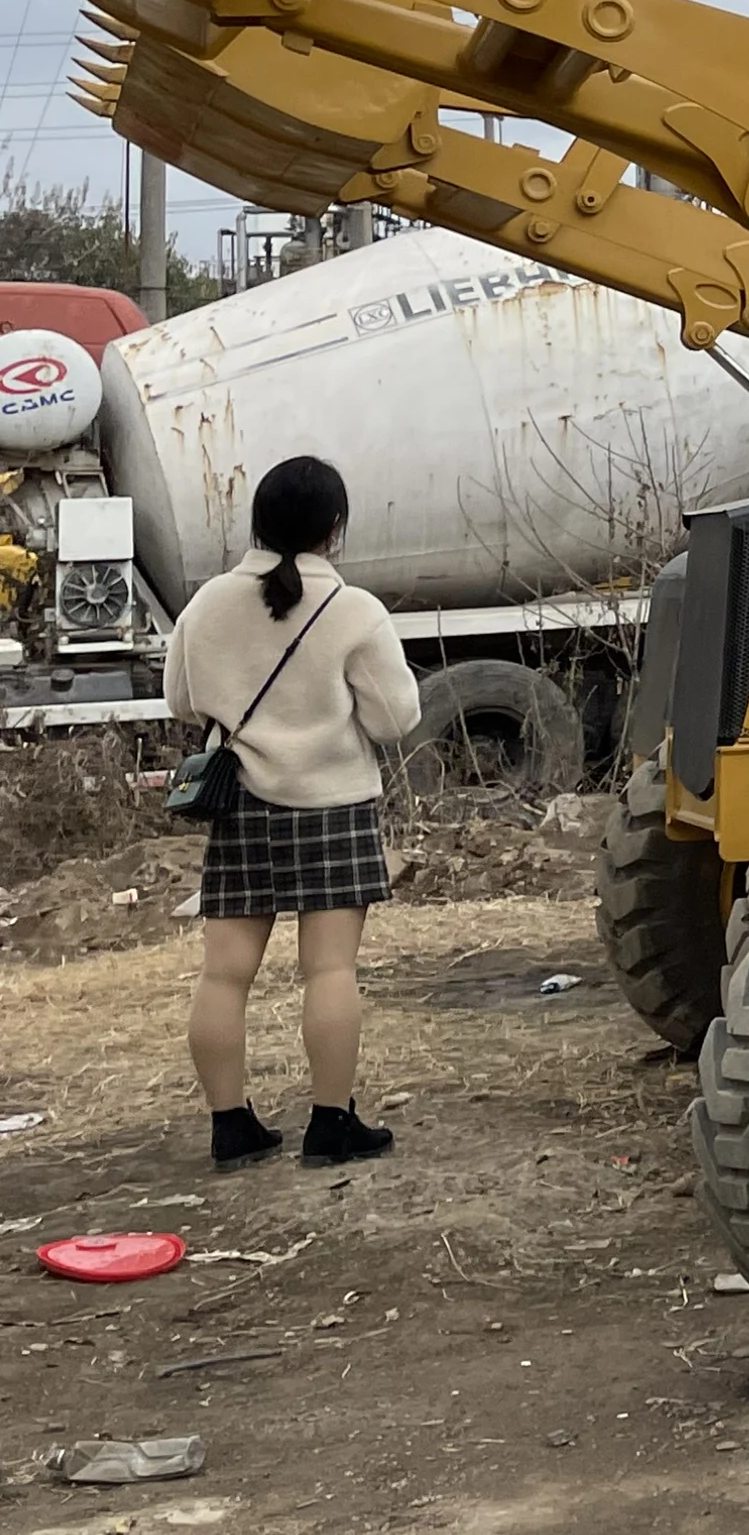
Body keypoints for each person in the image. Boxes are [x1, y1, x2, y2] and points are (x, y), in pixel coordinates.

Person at [167, 455, 422, 1171]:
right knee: (329, 971)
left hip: (241, 804)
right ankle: (330, 1125)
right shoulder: (353, 611)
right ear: (334, 529)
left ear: (257, 520)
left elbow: (181, 700)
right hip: (332, 807)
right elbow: (396, 717)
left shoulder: (208, 604)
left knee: (224, 975)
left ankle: (231, 1127)